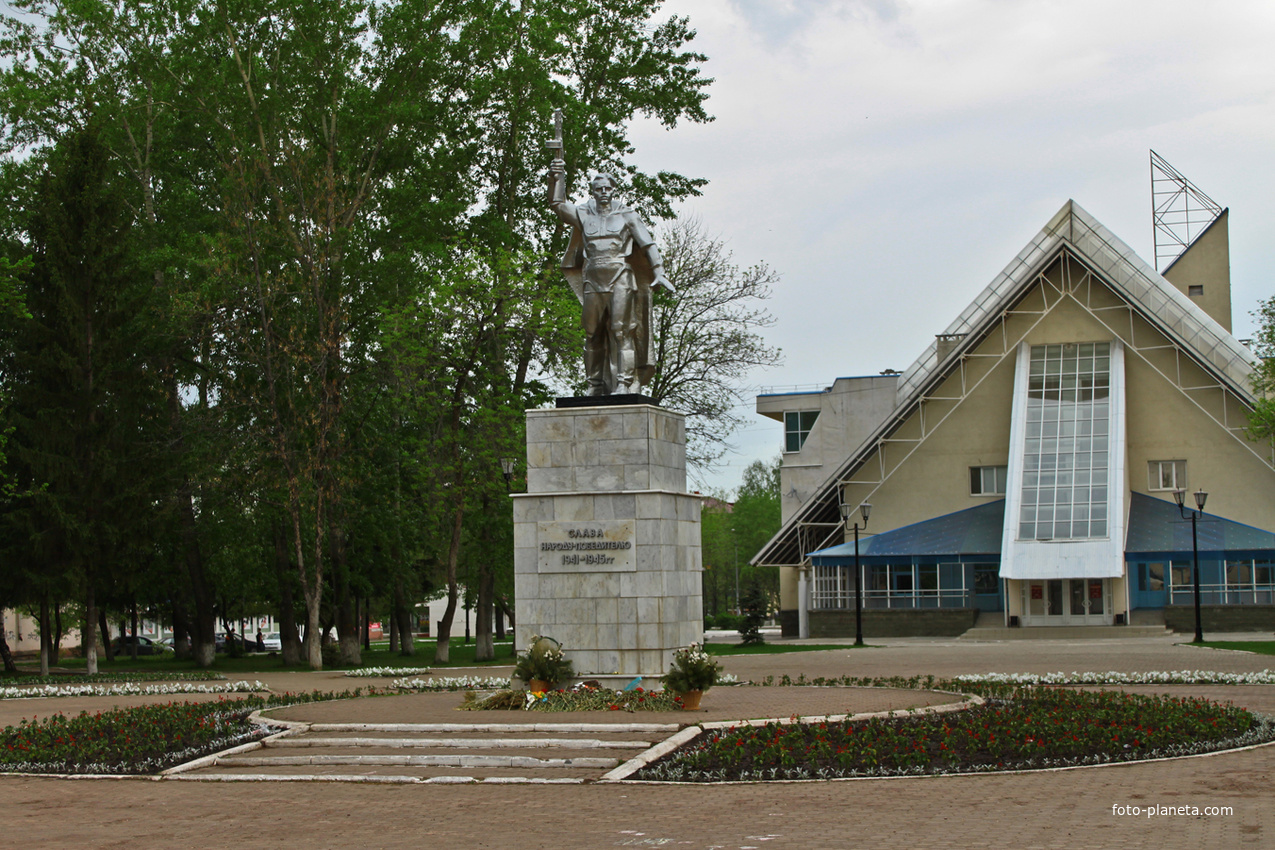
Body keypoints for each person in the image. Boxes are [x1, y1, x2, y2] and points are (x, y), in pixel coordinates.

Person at [548, 160, 673, 396]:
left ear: (613, 190)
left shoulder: (627, 215)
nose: (603, 193)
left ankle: (624, 383)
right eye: (599, 189)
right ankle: (594, 385)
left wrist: (658, 270)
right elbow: (557, 204)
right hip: (593, 278)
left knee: (621, 331)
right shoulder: (583, 213)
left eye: (607, 189)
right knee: (592, 332)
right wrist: (556, 177)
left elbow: (648, 244)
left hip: (620, 276)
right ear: (592, 191)